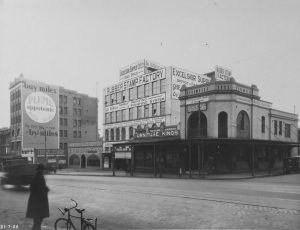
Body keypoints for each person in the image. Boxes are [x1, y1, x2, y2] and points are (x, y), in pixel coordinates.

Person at [26, 164, 50, 230]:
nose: (44, 171)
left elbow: (31, 188)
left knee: (37, 221)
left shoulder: (35, 177)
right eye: (43, 170)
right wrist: (46, 189)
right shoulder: (40, 178)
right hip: (39, 203)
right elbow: (41, 189)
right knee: (38, 222)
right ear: (41, 170)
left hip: (34, 202)